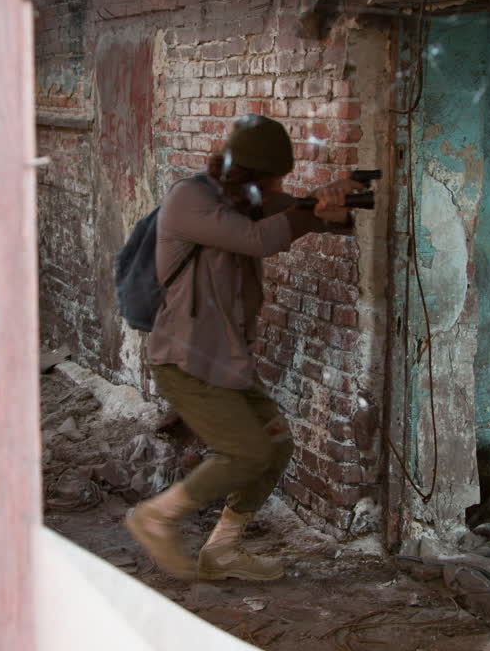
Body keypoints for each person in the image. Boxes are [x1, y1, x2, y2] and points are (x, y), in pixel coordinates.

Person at [125, 114, 362, 581]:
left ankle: (224, 549)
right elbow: (260, 239)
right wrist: (311, 209)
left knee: (275, 445)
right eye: (275, 175)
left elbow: (316, 217)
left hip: (228, 361)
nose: (279, 184)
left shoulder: (247, 199)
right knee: (246, 452)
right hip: (186, 358)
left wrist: (337, 200)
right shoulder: (189, 199)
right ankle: (155, 517)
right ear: (253, 172)